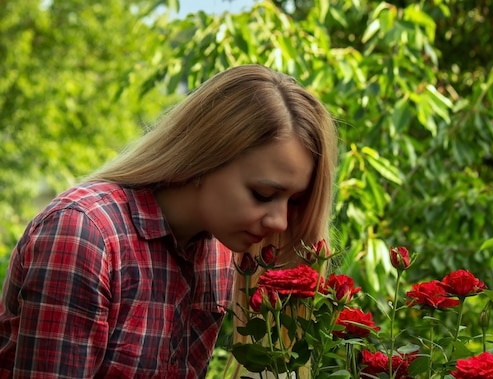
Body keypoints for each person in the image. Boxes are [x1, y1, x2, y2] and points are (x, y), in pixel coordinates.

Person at [0, 64, 338, 378]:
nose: (280, 223)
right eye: (263, 194)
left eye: (293, 201)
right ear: (204, 157)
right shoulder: (85, 235)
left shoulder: (219, 254)